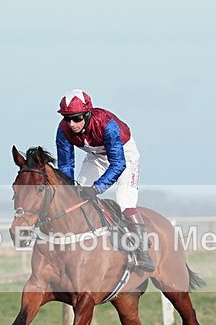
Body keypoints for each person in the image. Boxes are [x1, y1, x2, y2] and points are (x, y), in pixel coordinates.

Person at [55, 89, 155, 272]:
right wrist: (68, 190)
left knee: (125, 203)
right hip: (96, 158)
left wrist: (97, 188)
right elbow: (66, 165)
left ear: (87, 114)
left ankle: (143, 251)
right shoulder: (63, 130)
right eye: (67, 118)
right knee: (75, 198)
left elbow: (118, 164)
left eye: (76, 118)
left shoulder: (107, 125)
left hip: (124, 156)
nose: (71, 124)